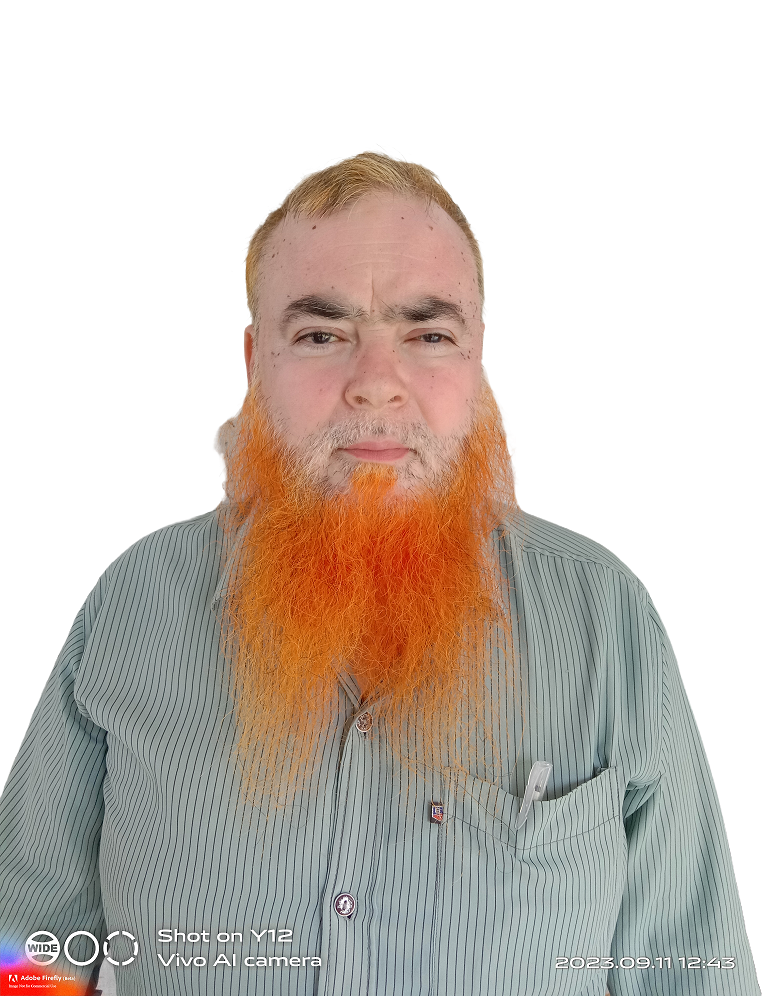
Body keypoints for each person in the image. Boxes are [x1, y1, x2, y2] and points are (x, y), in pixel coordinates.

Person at [0, 153, 760, 996]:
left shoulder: (606, 620)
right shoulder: (133, 605)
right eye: (321, 335)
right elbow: (26, 948)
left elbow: (694, 974)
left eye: (427, 335)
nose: (375, 386)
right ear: (255, 362)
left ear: (476, 360)